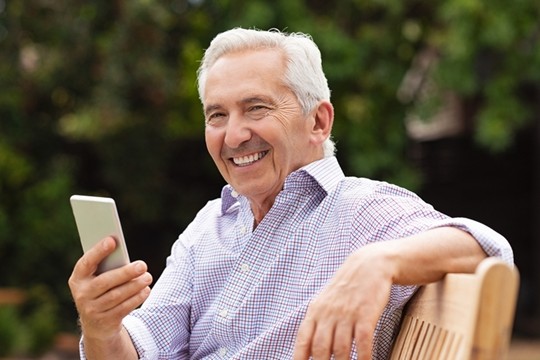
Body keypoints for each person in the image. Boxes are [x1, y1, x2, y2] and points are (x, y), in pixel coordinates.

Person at [68, 27, 513, 360]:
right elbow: (141, 348)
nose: (234, 134)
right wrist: (102, 327)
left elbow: (487, 249)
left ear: (318, 122)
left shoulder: (359, 210)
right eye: (217, 115)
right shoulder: (210, 224)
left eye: (256, 108)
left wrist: (377, 261)